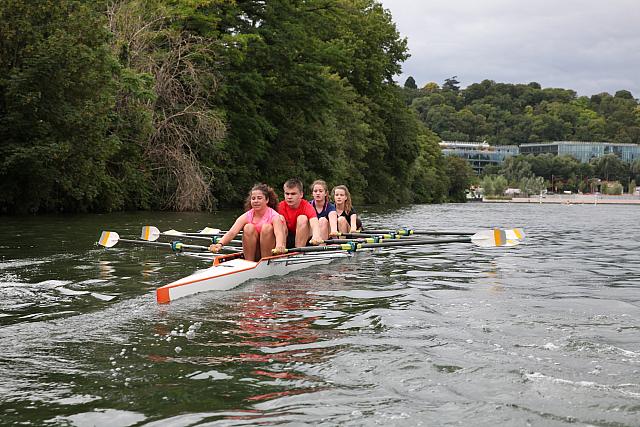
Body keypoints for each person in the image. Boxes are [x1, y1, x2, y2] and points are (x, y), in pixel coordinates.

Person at [209, 184, 285, 261]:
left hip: (271, 252)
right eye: (253, 198)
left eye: (259, 198)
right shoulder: (247, 216)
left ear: (267, 200)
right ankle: (249, 262)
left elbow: (279, 233)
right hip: (255, 252)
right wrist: (219, 244)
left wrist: (279, 245)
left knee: (267, 228)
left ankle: (265, 261)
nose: (256, 201)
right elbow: (232, 232)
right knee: (248, 227)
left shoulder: (274, 216)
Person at [277, 178, 323, 249]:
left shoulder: (307, 206)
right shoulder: (279, 206)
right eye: (287, 194)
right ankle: (280, 250)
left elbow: (314, 223)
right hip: (286, 238)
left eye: (293, 194)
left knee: (302, 218)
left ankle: (298, 252)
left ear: (301, 194)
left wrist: (316, 235)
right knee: (279, 218)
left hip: (304, 238)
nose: (289, 197)